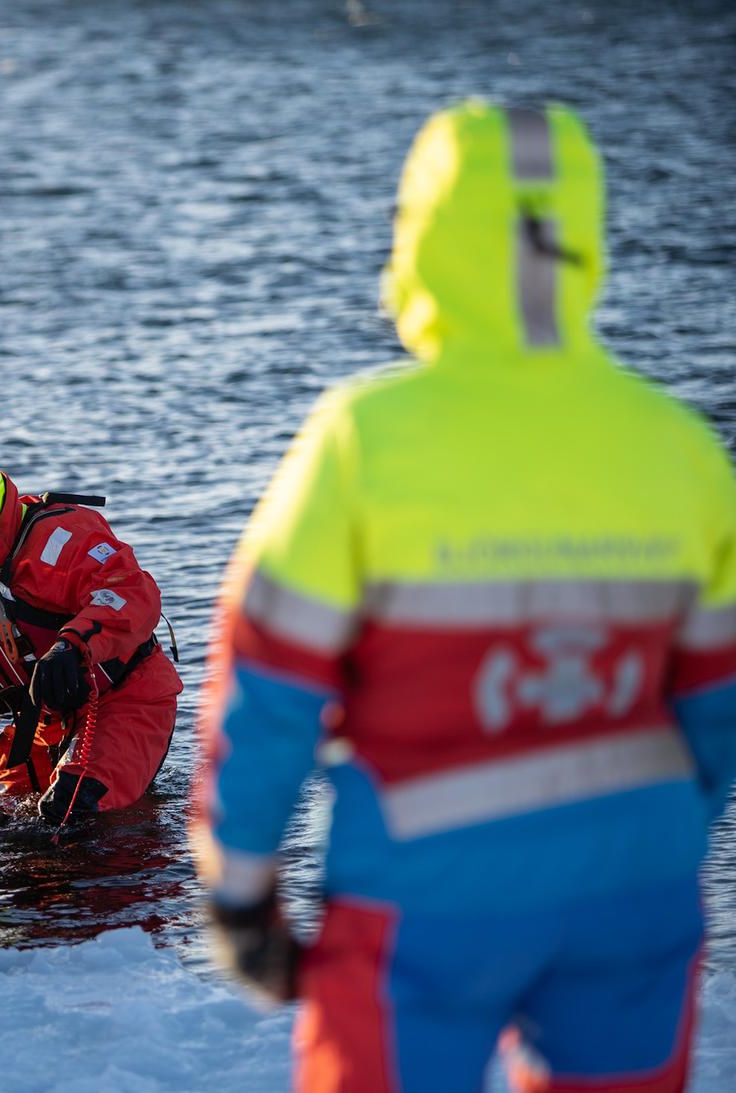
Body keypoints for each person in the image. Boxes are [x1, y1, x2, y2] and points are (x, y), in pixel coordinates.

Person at [190, 99, 736, 1091]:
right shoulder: (682, 449)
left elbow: (267, 693)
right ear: (583, 238)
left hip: (422, 902)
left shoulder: (363, 441)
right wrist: (651, 846)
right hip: (635, 893)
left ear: (423, 240)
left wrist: (239, 891)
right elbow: (715, 710)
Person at [0, 433, 181, 822]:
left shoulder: (60, 540)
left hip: (125, 699)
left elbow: (131, 592)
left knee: (74, 811)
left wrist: (72, 646)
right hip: (42, 724)